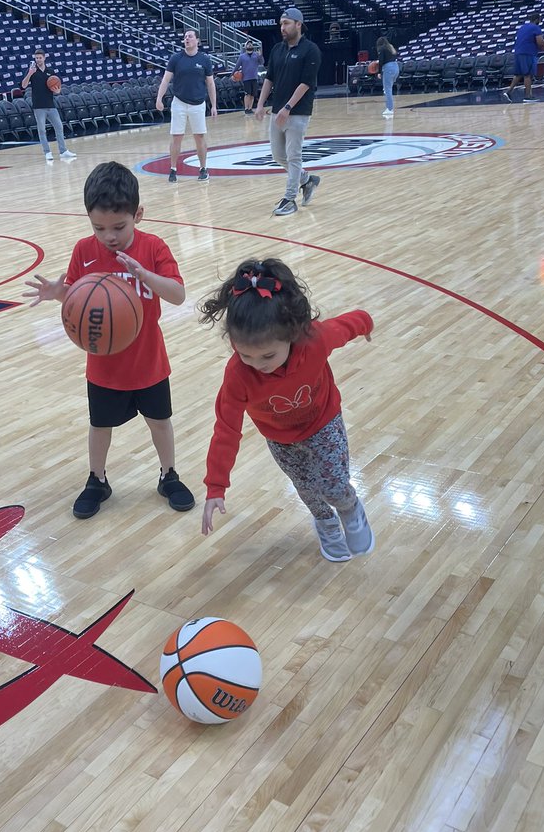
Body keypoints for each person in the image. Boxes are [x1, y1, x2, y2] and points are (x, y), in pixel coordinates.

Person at [25, 161, 195, 519]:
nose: (109, 236)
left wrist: (145, 274)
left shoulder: (153, 248)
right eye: (99, 227)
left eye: (119, 226)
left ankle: (169, 475)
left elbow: (178, 295)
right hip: (103, 365)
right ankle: (97, 479)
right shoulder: (84, 251)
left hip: (149, 360)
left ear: (138, 215)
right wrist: (59, 293)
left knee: (160, 422)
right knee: (100, 426)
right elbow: (77, 300)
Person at [198, 258, 374, 562]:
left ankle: (350, 509)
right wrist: (216, 486)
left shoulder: (314, 340)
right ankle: (326, 524)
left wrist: (366, 324)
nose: (258, 364)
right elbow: (226, 431)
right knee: (306, 490)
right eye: (245, 355)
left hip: (323, 422)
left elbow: (348, 324)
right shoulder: (238, 376)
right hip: (281, 440)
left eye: (267, 355)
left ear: (292, 335)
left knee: (333, 485)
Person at [253, 7, 321, 217]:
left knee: (293, 156)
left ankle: (290, 199)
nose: (282, 27)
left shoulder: (311, 50)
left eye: (286, 23)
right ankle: (307, 180)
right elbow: (269, 78)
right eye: (281, 24)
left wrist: (288, 107)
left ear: (298, 24)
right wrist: (260, 103)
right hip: (277, 111)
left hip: (298, 111)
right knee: (277, 155)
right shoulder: (277, 49)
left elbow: (306, 83)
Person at [155, 29, 217, 184]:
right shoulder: (176, 59)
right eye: (185, 37)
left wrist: (214, 105)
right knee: (176, 137)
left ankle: (203, 169)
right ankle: (173, 169)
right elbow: (165, 80)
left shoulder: (204, 60)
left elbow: (210, 83)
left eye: (190, 36)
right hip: (179, 103)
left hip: (198, 104)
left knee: (199, 137)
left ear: (197, 40)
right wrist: (159, 98)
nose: (187, 39)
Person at [21, 48, 77, 164]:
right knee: (42, 130)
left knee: (59, 127)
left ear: (44, 58)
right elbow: (23, 85)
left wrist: (57, 91)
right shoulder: (31, 71)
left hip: (50, 105)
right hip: (38, 106)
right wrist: (29, 74)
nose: (38, 60)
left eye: (40, 58)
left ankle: (63, 151)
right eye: (36, 58)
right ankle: (47, 152)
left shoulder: (50, 71)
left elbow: (57, 87)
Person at [502, 16, 544, 103]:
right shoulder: (536, 28)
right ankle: (528, 96)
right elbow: (540, 42)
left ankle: (508, 92)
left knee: (518, 74)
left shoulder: (522, 27)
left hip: (518, 52)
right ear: (537, 20)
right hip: (528, 52)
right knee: (528, 74)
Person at [235, 40, 262, 115]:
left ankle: (250, 108)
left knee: (253, 94)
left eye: (251, 44)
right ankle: (246, 108)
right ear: (245, 47)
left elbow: (262, 62)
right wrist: (232, 74)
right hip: (246, 78)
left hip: (254, 77)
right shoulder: (242, 56)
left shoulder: (256, 55)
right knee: (247, 94)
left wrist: (260, 56)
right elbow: (237, 66)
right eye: (248, 44)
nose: (250, 45)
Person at [376, 36, 400, 119]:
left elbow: (381, 61)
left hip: (388, 68)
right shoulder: (390, 47)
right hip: (396, 67)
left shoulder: (381, 49)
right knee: (388, 88)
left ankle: (390, 109)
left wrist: (379, 72)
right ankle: (389, 107)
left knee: (388, 89)